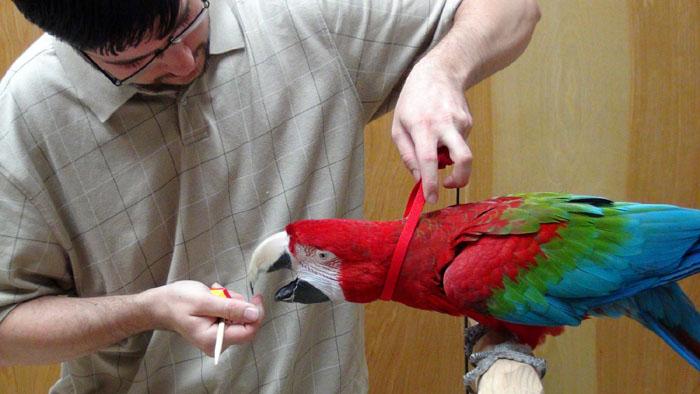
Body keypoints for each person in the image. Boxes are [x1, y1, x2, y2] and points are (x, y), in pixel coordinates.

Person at [0, 0, 540, 392]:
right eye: (139, 62)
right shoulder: (26, 114)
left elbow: (512, 10)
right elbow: (7, 330)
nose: (185, 63)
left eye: (188, 21)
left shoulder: (302, 17)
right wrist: (146, 311)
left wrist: (440, 70)